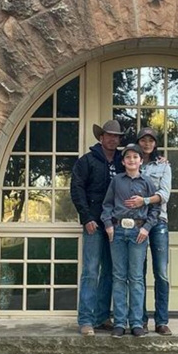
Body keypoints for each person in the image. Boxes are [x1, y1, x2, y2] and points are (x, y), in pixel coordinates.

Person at [70, 119, 124, 336]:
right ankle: (86, 320)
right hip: (94, 223)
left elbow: (140, 168)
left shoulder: (123, 161)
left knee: (110, 272)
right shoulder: (87, 161)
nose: (112, 139)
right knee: (91, 271)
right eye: (109, 135)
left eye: (116, 136)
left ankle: (102, 316)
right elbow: (76, 189)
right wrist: (86, 217)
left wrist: (159, 158)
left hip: (115, 224)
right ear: (101, 137)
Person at [102, 143, 160, 338]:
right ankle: (119, 322)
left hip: (138, 232)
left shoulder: (147, 182)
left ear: (141, 161)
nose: (132, 160)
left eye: (136, 157)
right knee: (119, 277)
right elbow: (107, 205)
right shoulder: (117, 181)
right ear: (124, 161)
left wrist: (146, 227)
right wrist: (108, 224)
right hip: (118, 232)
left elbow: (155, 209)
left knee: (135, 278)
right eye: (128, 157)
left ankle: (136, 322)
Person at [124, 127, 173, 336]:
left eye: (151, 141)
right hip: (137, 223)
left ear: (155, 144)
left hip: (158, 222)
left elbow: (164, 194)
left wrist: (144, 200)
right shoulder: (134, 163)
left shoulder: (163, 166)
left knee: (161, 273)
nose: (147, 144)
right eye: (143, 140)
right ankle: (140, 319)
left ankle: (161, 321)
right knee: (138, 273)